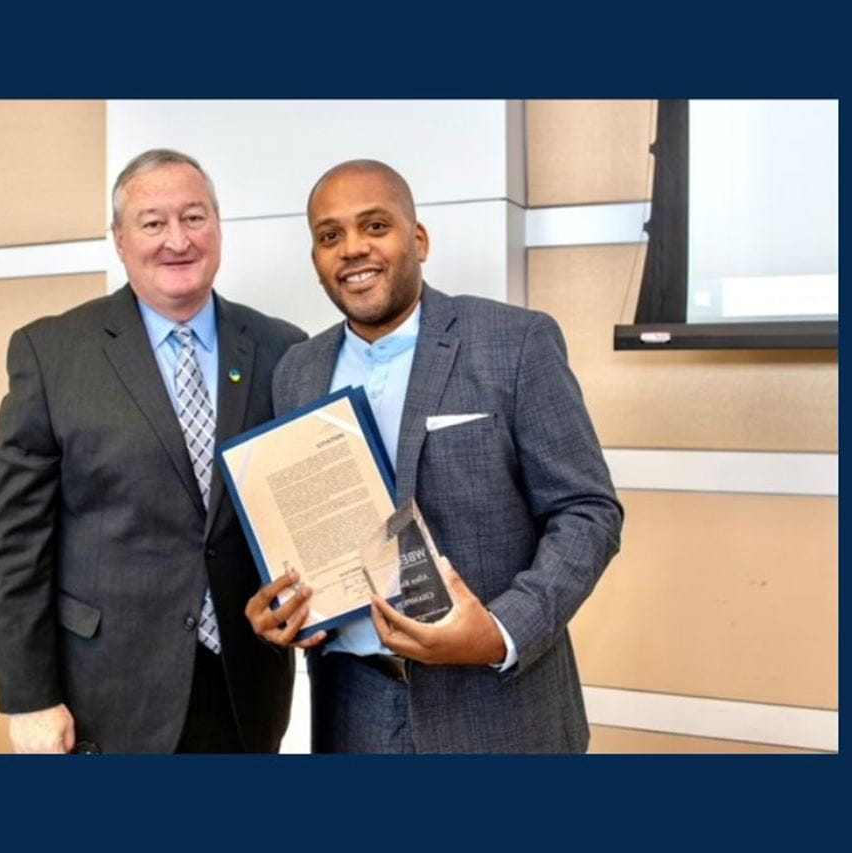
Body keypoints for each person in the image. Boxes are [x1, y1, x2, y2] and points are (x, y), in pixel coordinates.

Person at [245, 160, 623, 753]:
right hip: (351, 712)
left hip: (498, 709)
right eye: (330, 236)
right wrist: (282, 612)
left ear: (417, 239)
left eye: (375, 226)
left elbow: (588, 511)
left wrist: (502, 633)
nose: (352, 249)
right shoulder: (297, 371)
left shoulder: (514, 342)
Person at [0, 149, 306, 753]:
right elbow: (12, 544)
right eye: (153, 223)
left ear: (219, 226)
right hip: (107, 690)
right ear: (120, 239)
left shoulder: (282, 347)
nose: (177, 240)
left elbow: (297, 502)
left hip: (246, 683)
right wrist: (28, 698)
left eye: (194, 217)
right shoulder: (52, 353)